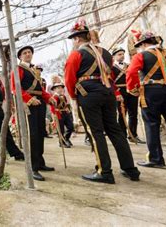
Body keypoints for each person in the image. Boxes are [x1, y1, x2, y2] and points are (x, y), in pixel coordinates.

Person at [64, 20, 140, 184]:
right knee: (115, 131)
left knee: (96, 132)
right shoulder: (105, 53)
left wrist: (74, 97)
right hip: (108, 93)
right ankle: (130, 169)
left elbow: (69, 79)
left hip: (89, 94)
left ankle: (104, 171)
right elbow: (110, 75)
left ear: (77, 39)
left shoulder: (76, 54)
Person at [126, 30, 166, 169]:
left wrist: (133, 89)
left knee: (152, 124)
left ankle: (156, 159)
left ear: (143, 43)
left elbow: (131, 72)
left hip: (151, 92)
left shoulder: (141, 56)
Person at [11, 46, 56, 181]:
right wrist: (29, 99)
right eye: (24, 53)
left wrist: (49, 98)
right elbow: (15, 89)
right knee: (32, 135)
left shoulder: (33, 69)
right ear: (20, 57)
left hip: (40, 103)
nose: (27, 54)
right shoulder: (18, 69)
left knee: (40, 132)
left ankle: (40, 163)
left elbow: (40, 89)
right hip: (28, 104)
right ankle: (32, 168)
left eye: (29, 52)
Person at [111, 45, 145, 144]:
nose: (122, 56)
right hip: (120, 91)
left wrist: (137, 89)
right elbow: (111, 82)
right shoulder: (111, 68)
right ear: (114, 56)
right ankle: (122, 136)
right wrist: (116, 93)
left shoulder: (129, 65)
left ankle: (133, 135)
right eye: (119, 54)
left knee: (133, 114)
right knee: (122, 114)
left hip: (131, 91)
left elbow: (135, 77)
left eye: (123, 54)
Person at [50, 80, 74, 148]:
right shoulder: (54, 97)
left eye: (61, 88)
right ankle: (62, 142)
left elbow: (65, 104)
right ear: (54, 90)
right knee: (61, 130)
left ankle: (66, 139)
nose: (60, 89)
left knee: (71, 127)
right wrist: (54, 117)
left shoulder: (63, 96)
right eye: (58, 88)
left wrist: (67, 109)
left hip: (65, 113)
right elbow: (52, 108)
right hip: (58, 114)